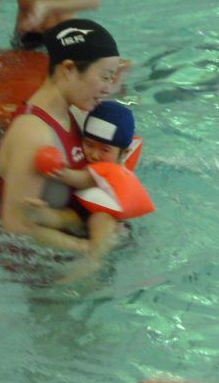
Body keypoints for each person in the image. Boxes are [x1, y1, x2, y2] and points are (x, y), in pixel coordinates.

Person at [0, 18, 120, 282]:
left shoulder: (71, 113)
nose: (108, 88)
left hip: (68, 255)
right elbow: (15, 227)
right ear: (69, 69)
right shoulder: (34, 134)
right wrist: (90, 251)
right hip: (43, 276)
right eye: (105, 77)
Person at [23, 101, 139, 282]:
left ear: (124, 153)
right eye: (89, 144)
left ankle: (94, 258)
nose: (94, 154)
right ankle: (40, 214)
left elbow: (86, 179)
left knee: (101, 221)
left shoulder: (118, 171)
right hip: (81, 216)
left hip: (109, 222)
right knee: (65, 217)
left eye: (105, 150)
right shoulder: (96, 159)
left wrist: (61, 172)